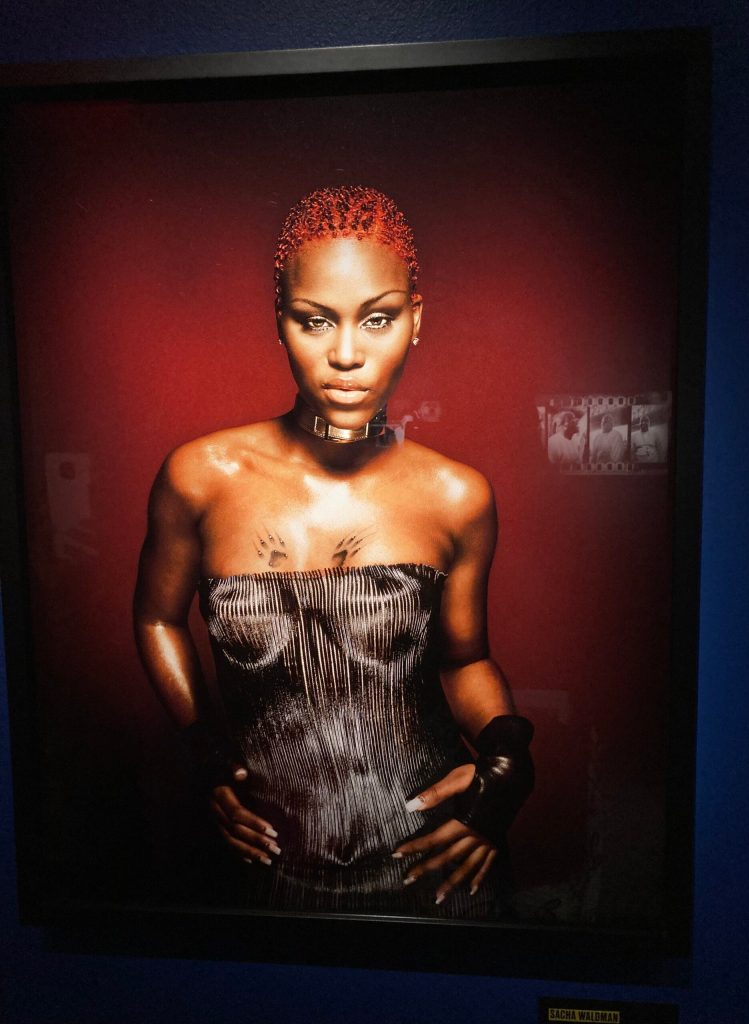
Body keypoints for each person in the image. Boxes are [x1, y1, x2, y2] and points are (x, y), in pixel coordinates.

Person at [133, 186, 533, 919]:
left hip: (436, 864)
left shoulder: (457, 496)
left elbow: (464, 659)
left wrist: (507, 762)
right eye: (315, 320)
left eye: (377, 318)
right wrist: (206, 751)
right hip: (265, 864)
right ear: (279, 321)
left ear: (416, 320)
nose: (346, 355)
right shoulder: (200, 476)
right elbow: (157, 618)